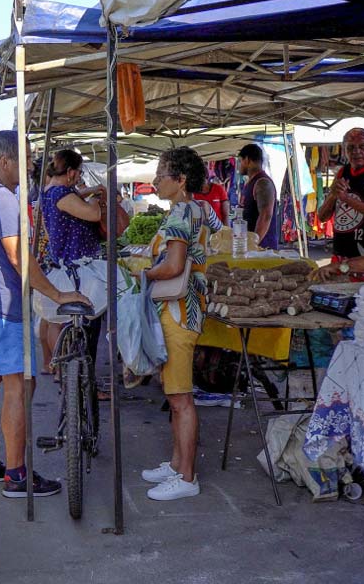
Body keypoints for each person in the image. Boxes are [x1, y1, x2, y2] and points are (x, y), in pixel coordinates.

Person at [0, 130, 90, 499]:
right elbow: (19, 256)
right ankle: (17, 474)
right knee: (18, 385)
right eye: (26, 158)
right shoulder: (2, 198)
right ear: (5, 162)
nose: (32, 164)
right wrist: (56, 291)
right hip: (0, 307)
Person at [141, 146, 220, 502]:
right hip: (189, 311)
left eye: (161, 174)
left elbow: (172, 268)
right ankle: (176, 464)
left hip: (177, 312)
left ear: (180, 180)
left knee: (180, 398)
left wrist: (143, 271)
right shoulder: (199, 209)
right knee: (176, 397)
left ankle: (186, 476)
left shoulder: (179, 215)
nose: (155, 181)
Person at [36, 149, 104, 377]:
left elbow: (74, 197)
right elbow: (93, 215)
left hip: (61, 261)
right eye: (79, 172)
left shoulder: (51, 190)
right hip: (76, 266)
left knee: (54, 319)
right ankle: (67, 372)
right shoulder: (61, 194)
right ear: (72, 172)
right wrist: (96, 199)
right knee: (76, 320)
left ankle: (59, 369)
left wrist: (88, 191)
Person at [316, 128, 364, 268]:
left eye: (362, 146)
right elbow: (322, 217)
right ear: (344, 150)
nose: (357, 151)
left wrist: (348, 199)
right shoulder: (343, 172)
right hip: (341, 256)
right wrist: (333, 196)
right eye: (351, 147)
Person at [237, 144, 279, 249]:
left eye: (240, 161)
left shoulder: (262, 183)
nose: (239, 165)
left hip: (263, 249)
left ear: (247, 160)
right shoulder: (250, 183)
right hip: (250, 247)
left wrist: (253, 245)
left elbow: (266, 216)